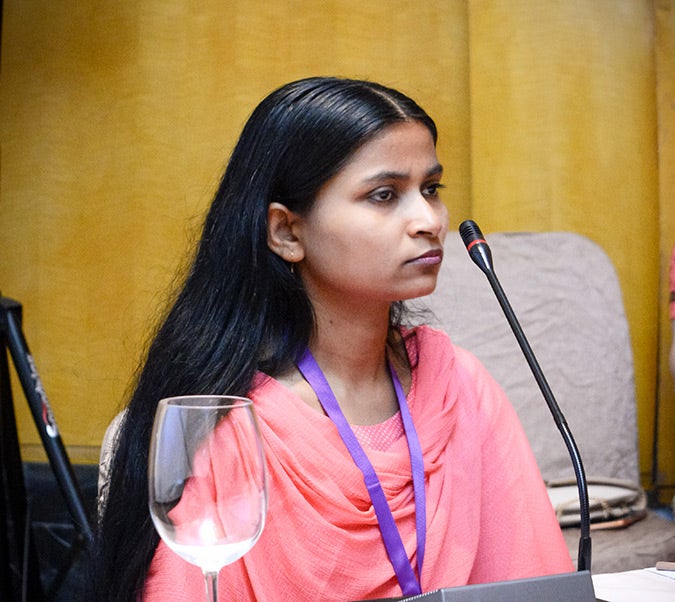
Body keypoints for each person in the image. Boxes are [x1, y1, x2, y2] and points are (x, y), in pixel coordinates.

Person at [92, 76, 573, 601]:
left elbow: (532, 583)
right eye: (384, 195)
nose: (428, 220)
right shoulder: (231, 426)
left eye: (431, 189)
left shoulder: (460, 386)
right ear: (287, 233)